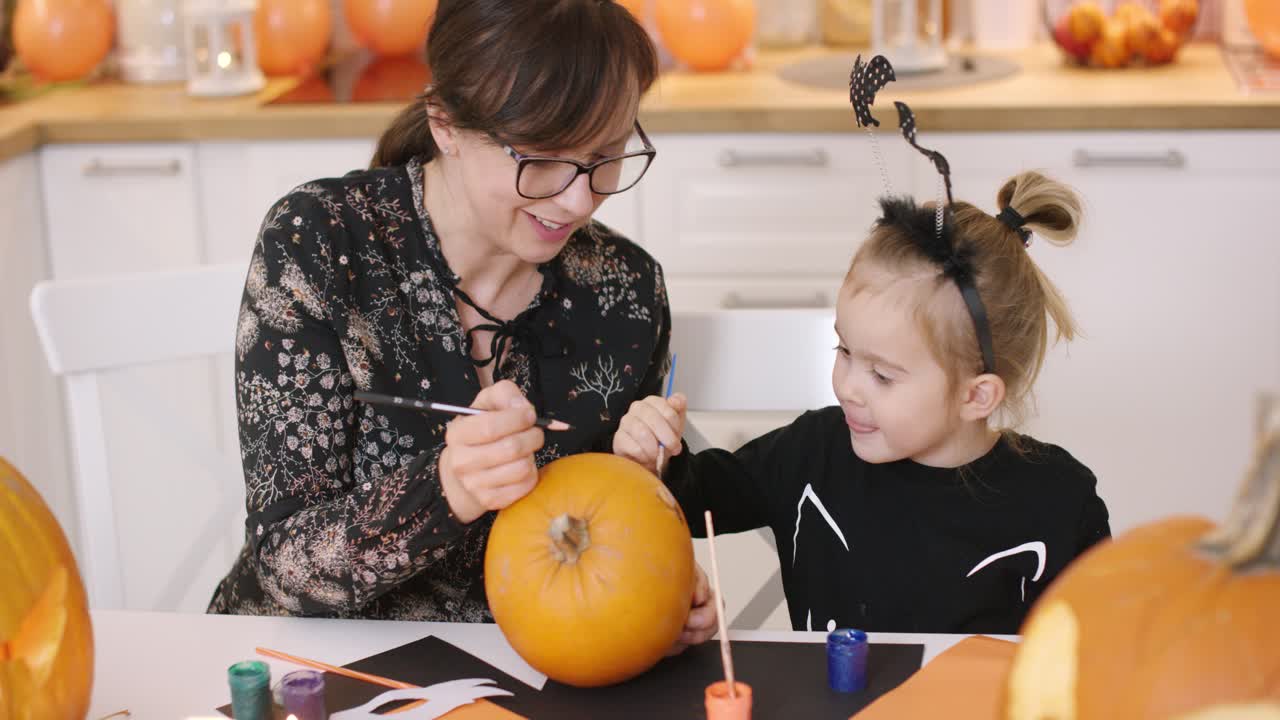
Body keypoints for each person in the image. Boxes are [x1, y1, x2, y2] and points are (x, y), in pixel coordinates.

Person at [210, 0, 716, 652]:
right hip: (305, 662)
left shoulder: (626, 291)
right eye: (540, 159)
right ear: (444, 123)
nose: (577, 200)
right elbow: (285, 566)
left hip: (529, 670)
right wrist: (446, 489)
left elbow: (615, 530)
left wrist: (659, 584)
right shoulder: (323, 243)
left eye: (606, 153)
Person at [614, 171, 1112, 634]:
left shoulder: (1059, 502)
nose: (848, 386)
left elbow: (1096, 656)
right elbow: (697, 499)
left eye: (882, 375)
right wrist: (655, 460)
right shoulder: (812, 451)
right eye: (844, 350)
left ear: (975, 395)